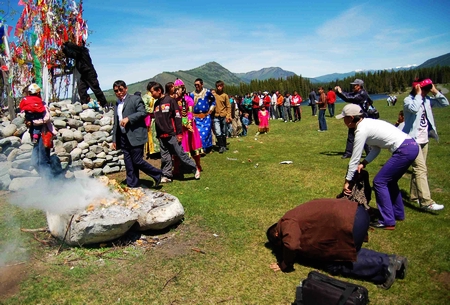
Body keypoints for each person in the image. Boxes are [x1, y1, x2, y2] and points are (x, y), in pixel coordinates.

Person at [267, 198, 408, 290]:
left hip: (351, 223)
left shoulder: (286, 223)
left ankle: (384, 268)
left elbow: (291, 244)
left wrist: (285, 263)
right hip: (357, 213)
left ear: (277, 234)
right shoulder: (295, 214)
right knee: (347, 250)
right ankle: (392, 260)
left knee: (335, 261)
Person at [336, 104, 419, 229]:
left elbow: (354, 159)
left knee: (379, 182)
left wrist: (347, 182)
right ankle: (398, 213)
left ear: (351, 118)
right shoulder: (368, 123)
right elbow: (376, 148)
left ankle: (387, 221)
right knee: (390, 182)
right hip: (411, 146)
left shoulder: (361, 130)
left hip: (404, 150)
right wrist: (365, 163)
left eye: (344, 118)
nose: (343, 121)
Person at [403, 78, 449, 211]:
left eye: (428, 88)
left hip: (424, 140)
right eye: (424, 88)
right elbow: (413, 109)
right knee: (421, 169)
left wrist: (435, 92)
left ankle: (414, 196)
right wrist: (418, 95)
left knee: (418, 169)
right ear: (417, 88)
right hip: (412, 140)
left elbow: (444, 104)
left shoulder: (427, 100)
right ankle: (426, 202)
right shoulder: (409, 100)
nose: (426, 91)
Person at [111, 80, 162, 188]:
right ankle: (132, 185)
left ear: (126, 88)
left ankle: (157, 173)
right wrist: (114, 139)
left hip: (136, 135)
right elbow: (116, 123)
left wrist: (129, 118)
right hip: (123, 137)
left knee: (137, 160)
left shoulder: (135, 99)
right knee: (128, 162)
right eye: (116, 91)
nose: (119, 92)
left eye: (121, 89)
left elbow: (143, 112)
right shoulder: (116, 104)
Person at [151, 82, 200, 181]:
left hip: (172, 134)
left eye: (152, 92)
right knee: (165, 157)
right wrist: (158, 133)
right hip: (161, 135)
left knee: (180, 154)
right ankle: (167, 175)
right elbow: (157, 120)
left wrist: (179, 133)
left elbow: (177, 118)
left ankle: (194, 168)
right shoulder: (156, 104)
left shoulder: (170, 101)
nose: (151, 94)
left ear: (159, 90)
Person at [62, 41, 107, 107]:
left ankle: (104, 104)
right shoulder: (78, 54)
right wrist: (64, 49)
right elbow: (70, 54)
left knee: (96, 89)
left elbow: (76, 48)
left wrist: (66, 43)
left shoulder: (84, 51)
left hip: (90, 73)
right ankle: (84, 104)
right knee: (81, 89)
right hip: (84, 75)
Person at [173, 79, 203, 175]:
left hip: (188, 126)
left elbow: (190, 113)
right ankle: (177, 168)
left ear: (183, 89)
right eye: (175, 89)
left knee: (192, 146)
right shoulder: (173, 100)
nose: (177, 91)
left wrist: (187, 121)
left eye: (179, 89)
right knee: (177, 147)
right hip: (178, 126)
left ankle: (197, 165)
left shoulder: (188, 99)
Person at [335, 79, 372, 159]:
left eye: (354, 85)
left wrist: (340, 92)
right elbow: (348, 94)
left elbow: (349, 98)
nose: (352, 87)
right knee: (351, 134)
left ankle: (369, 152)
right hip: (357, 115)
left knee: (362, 134)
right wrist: (339, 92)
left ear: (359, 86)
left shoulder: (361, 93)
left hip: (361, 116)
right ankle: (349, 152)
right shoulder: (358, 92)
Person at [190, 78, 216, 153]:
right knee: (198, 133)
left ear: (202, 84)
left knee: (207, 133)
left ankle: (207, 148)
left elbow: (213, 101)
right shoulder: (192, 94)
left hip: (206, 116)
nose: (196, 86)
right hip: (196, 117)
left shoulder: (207, 92)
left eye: (198, 84)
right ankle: (201, 149)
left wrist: (211, 109)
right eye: (195, 85)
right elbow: (190, 105)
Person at [211, 80, 232, 153]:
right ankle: (220, 146)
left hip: (224, 115)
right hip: (216, 116)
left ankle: (224, 146)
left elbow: (228, 106)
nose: (219, 88)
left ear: (222, 86)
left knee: (224, 132)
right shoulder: (214, 95)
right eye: (217, 86)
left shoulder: (225, 95)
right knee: (217, 131)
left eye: (220, 86)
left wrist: (228, 116)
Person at [142, 81, 160, 159]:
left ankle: (159, 151)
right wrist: (154, 110)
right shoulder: (145, 97)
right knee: (152, 135)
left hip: (158, 118)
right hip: (151, 119)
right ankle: (153, 152)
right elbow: (144, 107)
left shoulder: (157, 95)